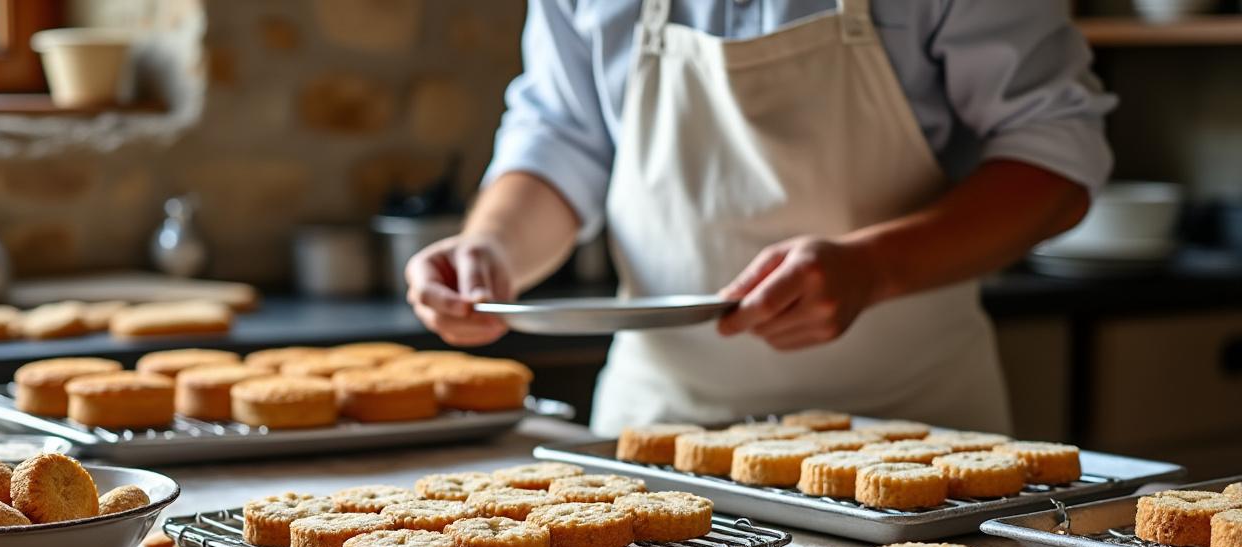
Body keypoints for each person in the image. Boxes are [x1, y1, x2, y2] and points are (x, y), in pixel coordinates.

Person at [405, 0, 1114, 434]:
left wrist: (874, 267)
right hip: (661, 427)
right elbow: (565, 136)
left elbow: (1056, 161)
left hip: (915, 432)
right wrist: (491, 246)